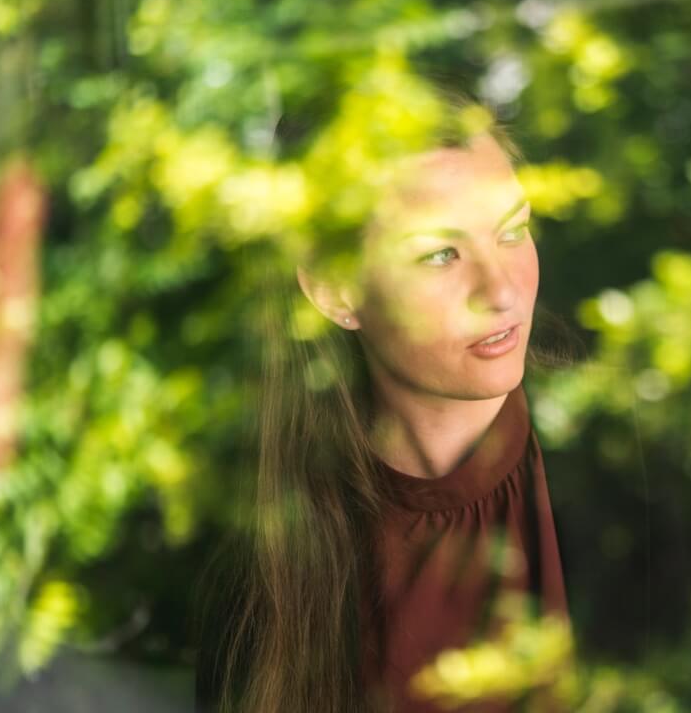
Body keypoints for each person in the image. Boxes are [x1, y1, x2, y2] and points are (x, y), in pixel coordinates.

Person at [192, 96, 586, 713]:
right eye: (440, 254)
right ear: (334, 290)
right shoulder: (265, 579)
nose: (503, 291)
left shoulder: (648, 460)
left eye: (513, 230)